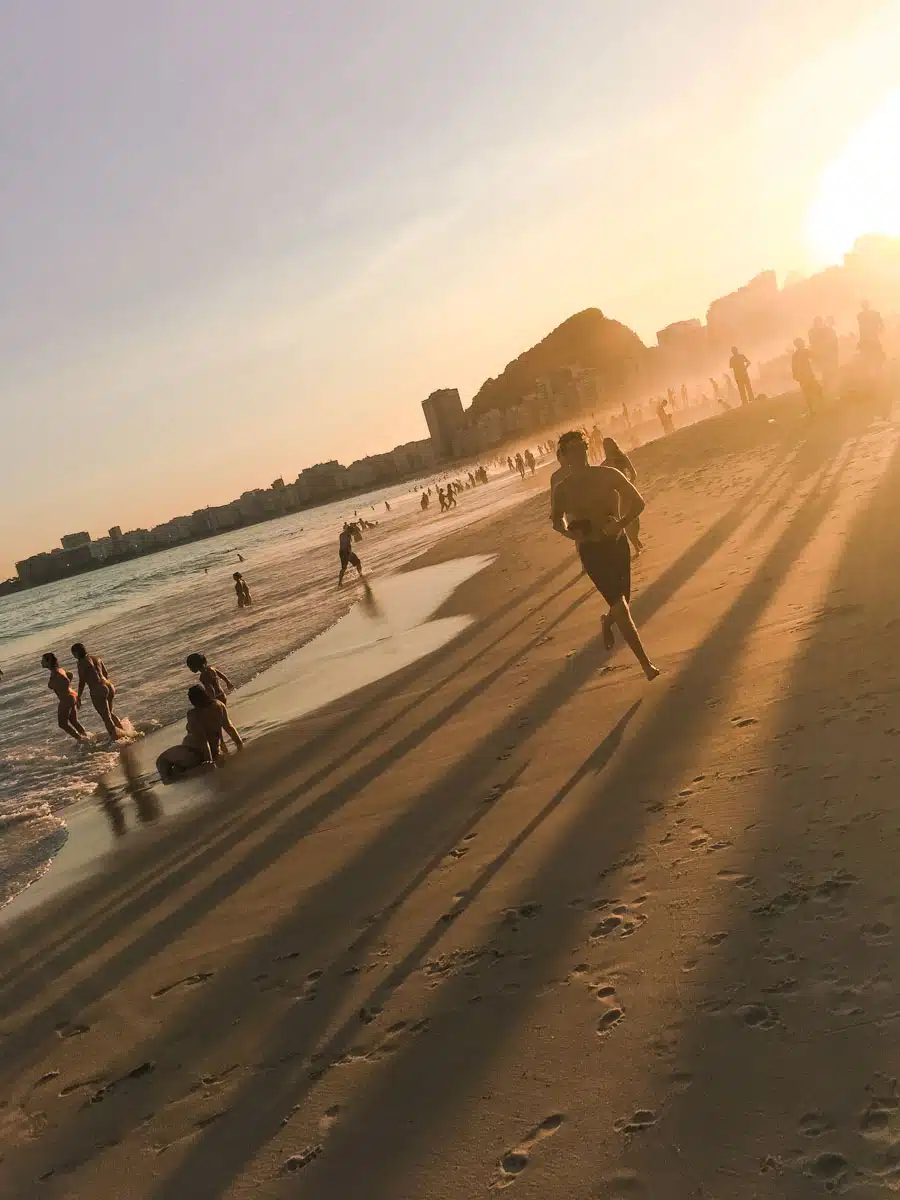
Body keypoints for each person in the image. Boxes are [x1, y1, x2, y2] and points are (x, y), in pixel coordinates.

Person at [551, 431, 658, 680]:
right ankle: (646, 664)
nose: (577, 454)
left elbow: (639, 502)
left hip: (617, 546)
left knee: (622, 606)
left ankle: (607, 622)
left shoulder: (608, 474)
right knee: (621, 607)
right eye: (571, 450)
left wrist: (621, 524)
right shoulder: (561, 490)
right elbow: (556, 523)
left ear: (587, 448)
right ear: (563, 456)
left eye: (581, 447)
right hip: (591, 552)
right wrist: (573, 535)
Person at [156, 685, 243, 784]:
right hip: (214, 750)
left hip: (193, 753)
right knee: (177, 767)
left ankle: (167, 779)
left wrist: (208, 762)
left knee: (162, 759)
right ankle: (182, 772)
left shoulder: (194, 714)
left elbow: (203, 739)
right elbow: (229, 727)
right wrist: (240, 744)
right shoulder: (219, 705)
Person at [72, 643, 126, 740]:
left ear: (76, 653)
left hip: (97, 689)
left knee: (106, 717)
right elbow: (105, 673)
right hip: (109, 686)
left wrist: (78, 696)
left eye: (73, 653)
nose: (73, 656)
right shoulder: (96, 658)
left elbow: (82, 680)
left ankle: (117, 739)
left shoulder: (81, 662)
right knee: (110, 713)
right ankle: (124, 732)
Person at [602, 437, 644, 554]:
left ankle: (635, 538)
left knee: (634, 518)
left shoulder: (622, 458)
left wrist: (629, 485)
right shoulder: (605, 463)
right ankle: (635, 543)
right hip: (617, 496)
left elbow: (633, 473)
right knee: (627, 519)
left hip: (625, 492)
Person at [41, 652, 89, 741]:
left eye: (43, 660)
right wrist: (76, 696)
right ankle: (86, 737)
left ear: (48, 662)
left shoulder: (56, 671)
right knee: (74, 721)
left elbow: (66, 680)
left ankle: (80, 739)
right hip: (71, 696)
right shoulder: (57, 669)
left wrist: (63, 686)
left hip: (66, 698)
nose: (41, 662)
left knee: (62, 724)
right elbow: (69, 675)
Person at [791, 338, 821, 416]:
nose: (803, 344)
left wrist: (797, 377)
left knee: (810, 393)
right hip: (807, 376)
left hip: (804, 377)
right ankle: (817, 408)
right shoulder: (803, 352)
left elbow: (793, 369)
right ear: (799, 345)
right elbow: (815, 356)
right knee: (815, 391)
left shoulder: (796, 355)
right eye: (802, 343)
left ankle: (813, 410)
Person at [858, 299, 885, 365]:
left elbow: (881, 323)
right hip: (868, 339)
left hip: (871, 339)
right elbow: (861, 329)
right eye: (864, 305)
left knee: (874, 356)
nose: (864, 307)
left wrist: (879, 330)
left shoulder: (863, 315)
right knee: (869, 357)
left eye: (865, 305)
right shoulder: (861, 315)